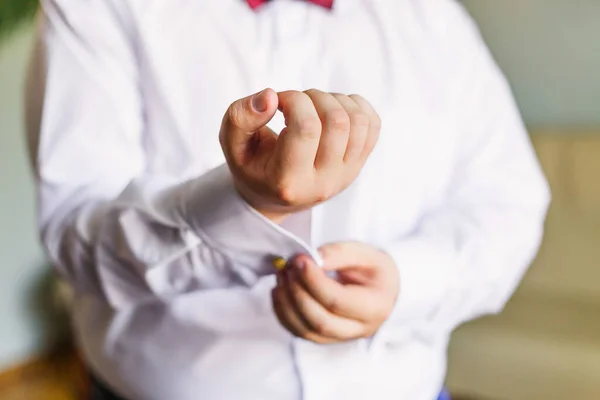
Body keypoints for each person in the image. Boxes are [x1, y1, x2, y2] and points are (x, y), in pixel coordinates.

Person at [25, 0, 550, 399]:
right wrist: (242, 206)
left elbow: (508, 202)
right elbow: (76, 232)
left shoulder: (434, 18)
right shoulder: (93, 9)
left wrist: (408, 282)